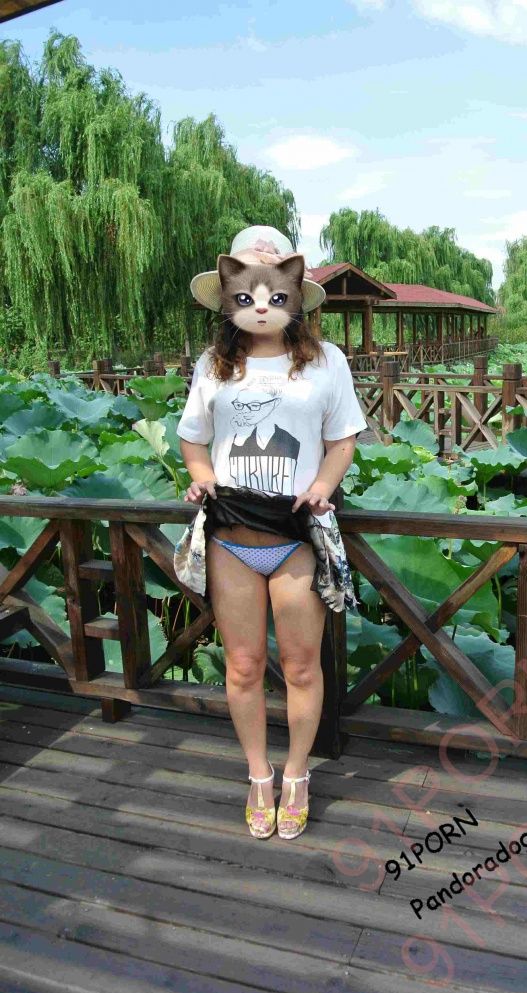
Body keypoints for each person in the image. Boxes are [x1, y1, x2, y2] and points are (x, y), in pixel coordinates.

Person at [177, 225, 368, 840]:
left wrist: (325, 485)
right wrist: (202, 478)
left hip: (297, 536)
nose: (261, 305)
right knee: (242, 666)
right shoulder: (214, 365)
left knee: (303, 667)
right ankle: (259, 775)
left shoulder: (326, 361)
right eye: (248, 290)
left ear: (292, 293)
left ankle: (297, 774)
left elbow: (343, 439)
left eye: (273, 288)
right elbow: (193, 439)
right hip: (231, 534)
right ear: (230, 297)